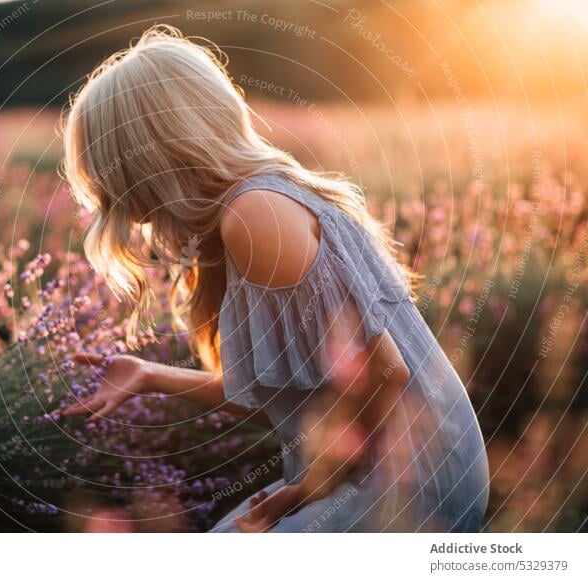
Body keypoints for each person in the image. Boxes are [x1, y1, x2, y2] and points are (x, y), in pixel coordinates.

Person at [61, 24, 489, 532]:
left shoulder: (255, 214)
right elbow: (279, 381)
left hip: (411, 480)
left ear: (154, 154)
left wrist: (311, 489)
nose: (113, 197)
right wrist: (149, 376)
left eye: (111, 170)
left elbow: (387, 381)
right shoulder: (256, 204)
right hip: (384, 467)